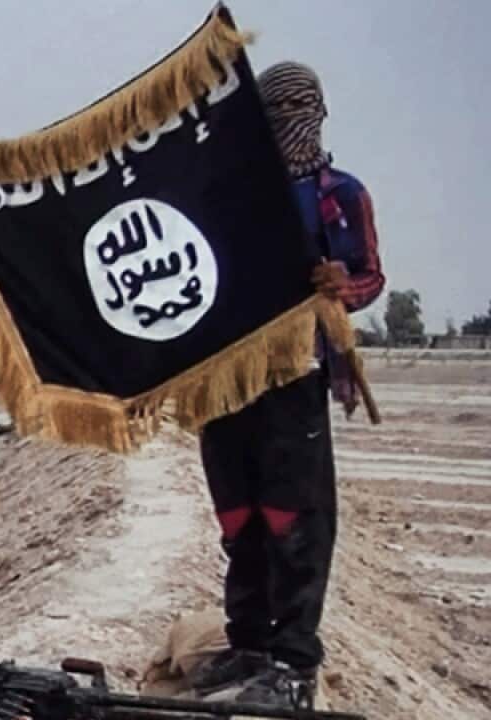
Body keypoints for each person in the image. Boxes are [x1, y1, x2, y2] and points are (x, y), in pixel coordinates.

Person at [189, 61, 385, 706]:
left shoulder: (342, 195)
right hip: (224, 381)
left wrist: (341, 284)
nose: (292, 129)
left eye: (301, 114)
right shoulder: (227, 194)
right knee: (238, 515)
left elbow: (369, 277)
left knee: (295, 517)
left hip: (295, 374)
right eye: (278, 116)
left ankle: (294, 663)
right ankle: (247, 644)